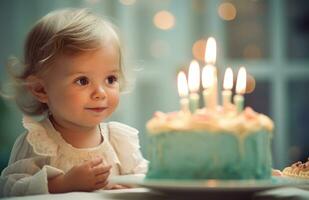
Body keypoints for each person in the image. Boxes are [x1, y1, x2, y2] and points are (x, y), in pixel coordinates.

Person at [0, 8, 148, 197]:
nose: (100, 93)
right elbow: (10, 189)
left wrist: (129, 188)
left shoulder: (120, 141)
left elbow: (148, 181)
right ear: (41, 89)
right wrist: (64, 183)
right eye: (82, 81)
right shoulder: (39, 141)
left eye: (110, 79)